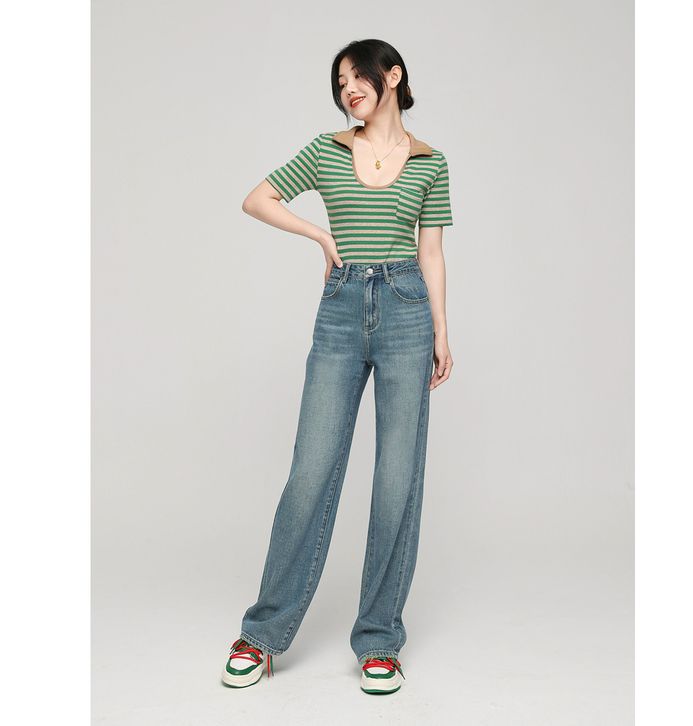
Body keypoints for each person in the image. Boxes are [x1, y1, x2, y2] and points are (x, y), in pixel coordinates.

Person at [221, 39, 454, 695]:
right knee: (311, 471)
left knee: (398, 478)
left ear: (393, 76)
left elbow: (431, 252)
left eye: (359, 76)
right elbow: (258, 199)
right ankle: (263, 634)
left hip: (408, 310)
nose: (349, 88)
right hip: (342, 307)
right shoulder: (327, 150)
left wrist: (442, 330)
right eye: (341, 80)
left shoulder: (431, 163)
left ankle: (379, 640)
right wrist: (320, 235)